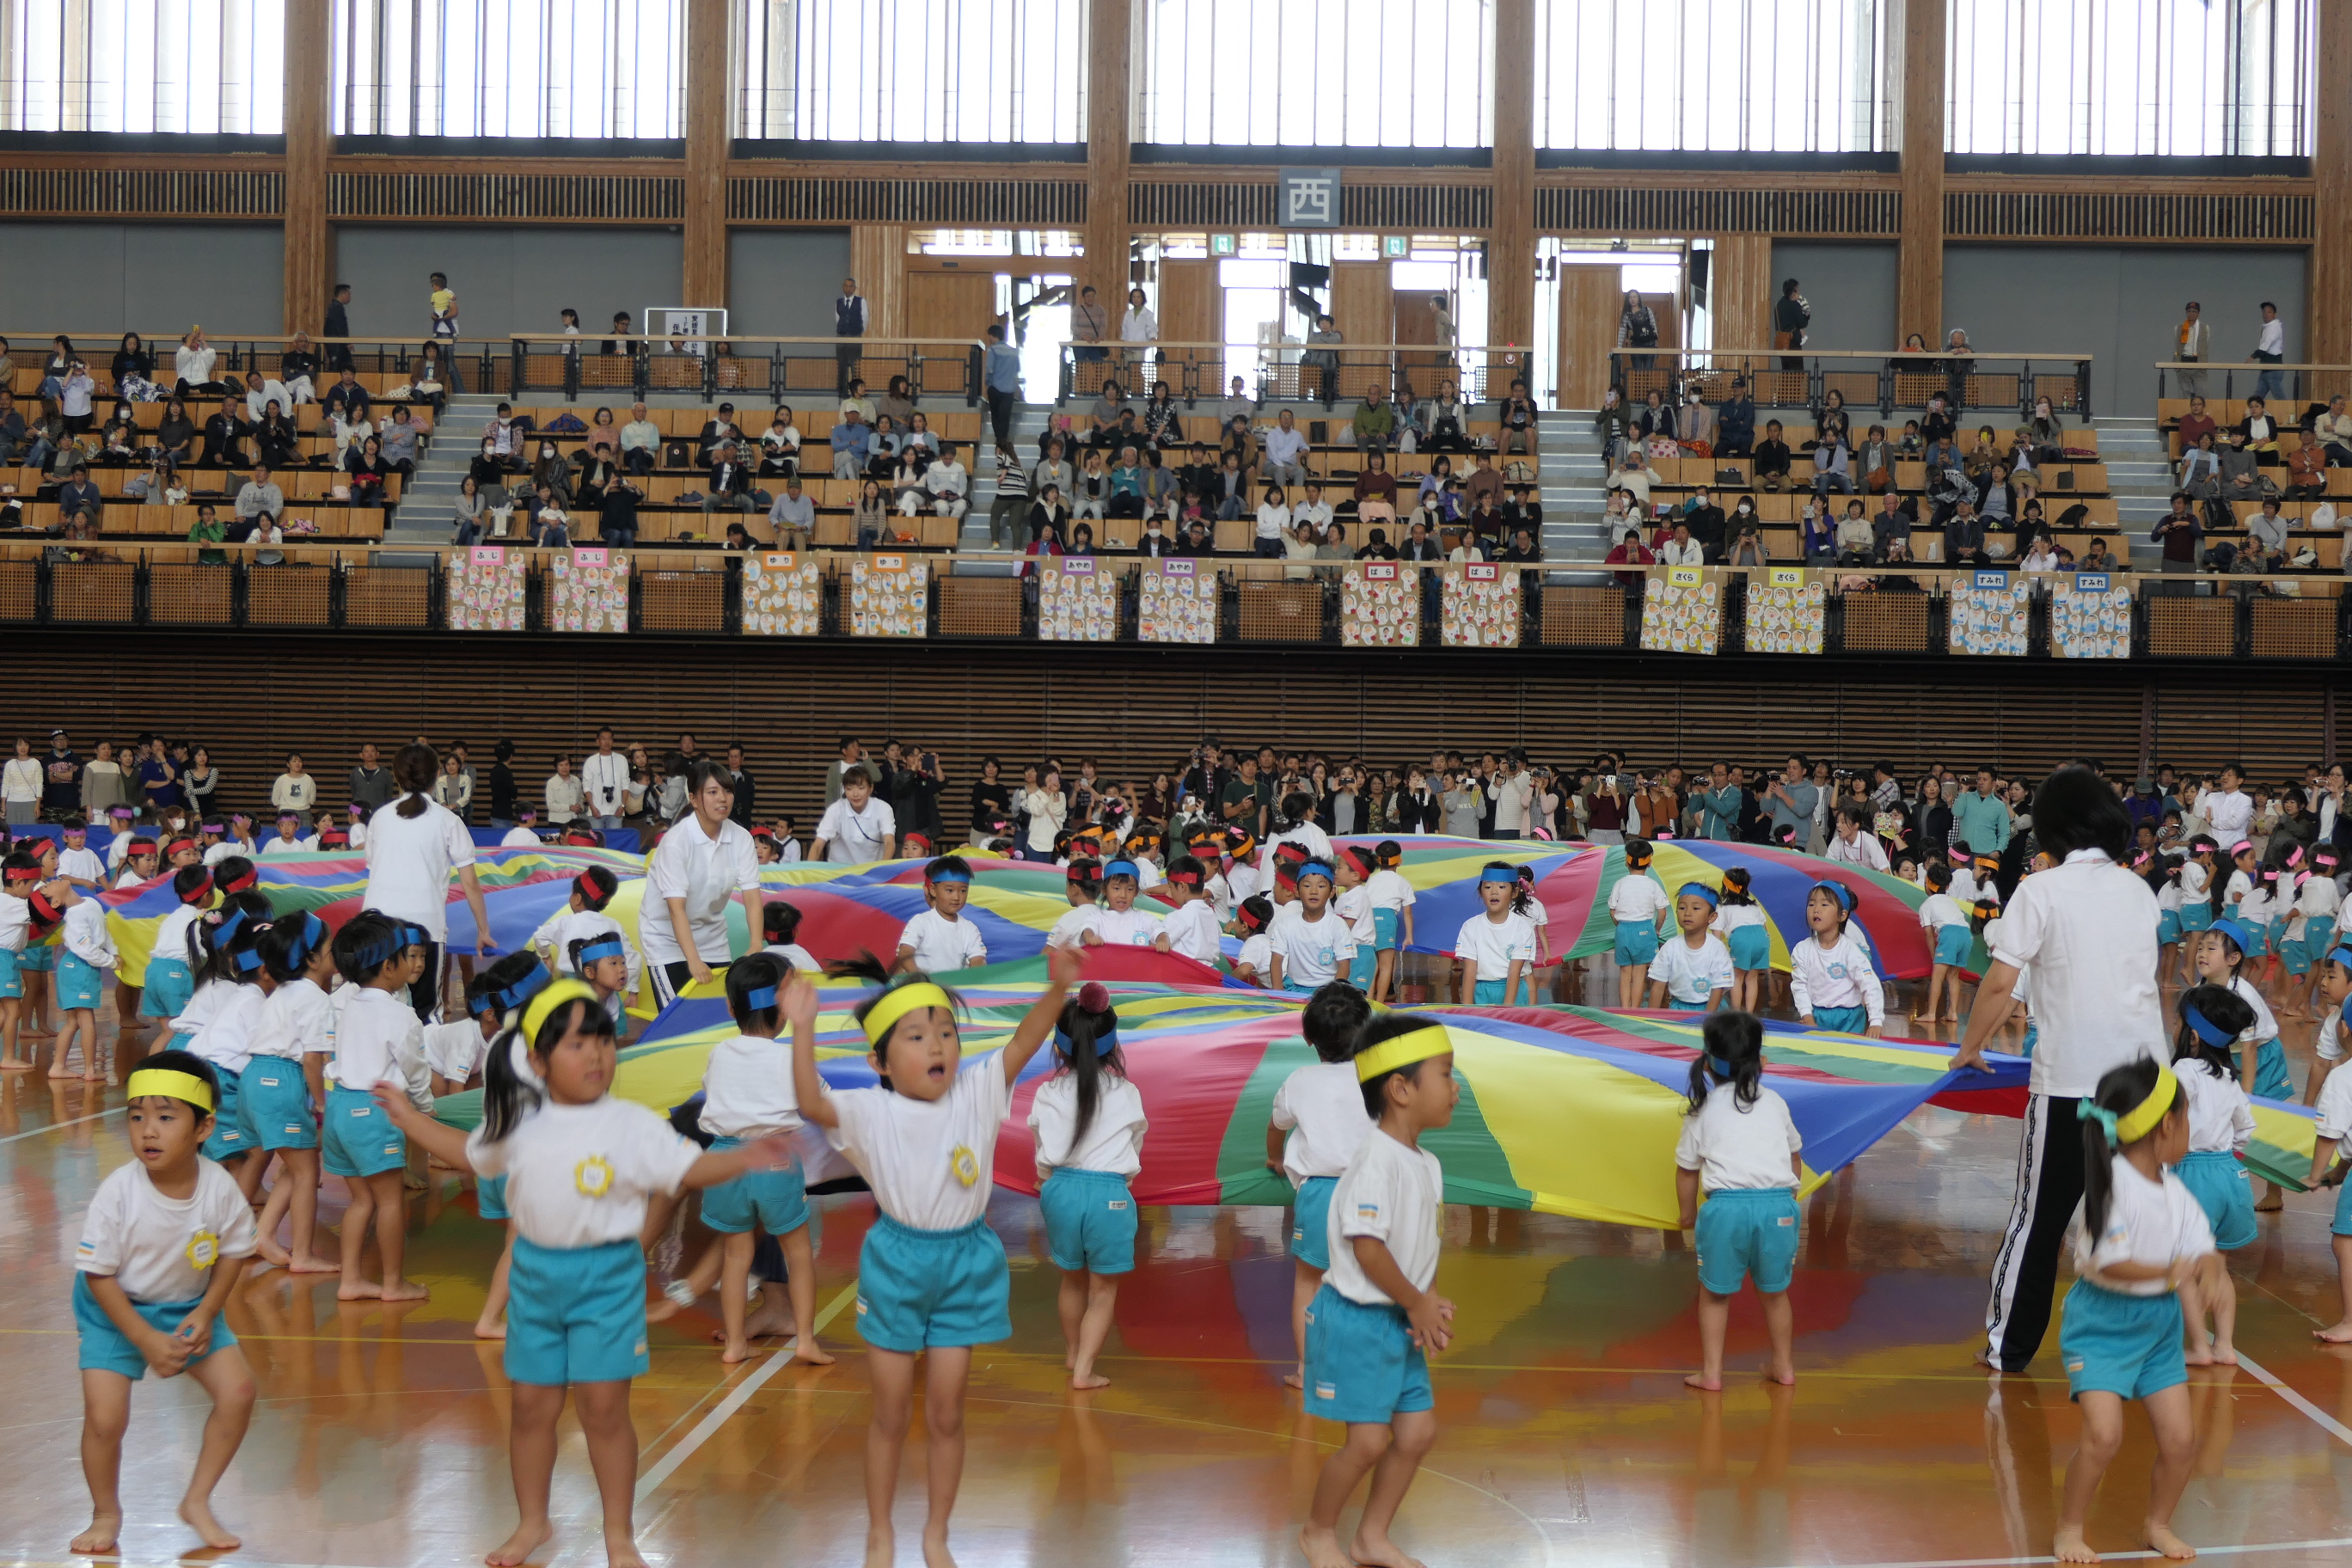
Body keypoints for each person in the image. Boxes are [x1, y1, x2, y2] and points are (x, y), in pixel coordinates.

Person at [377, 979, 793, 1568]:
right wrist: (406, 1118)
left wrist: (742, 1158)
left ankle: (620, 1536)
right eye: (577, 1044)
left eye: (602, 1040)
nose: (596, 1054)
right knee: (531, 1409)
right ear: (539, 1062)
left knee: (604, 1411)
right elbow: (468, 1153)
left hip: (608, 1282)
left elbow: (686, 1169)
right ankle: (532, 1524)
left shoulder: (632, 1124)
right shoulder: (520, 1126)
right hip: (536, 1280)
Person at [784, 947, 1079, 1568]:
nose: (938, 1045)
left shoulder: (976, 1091)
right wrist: (803, 1028)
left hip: (965, 1263)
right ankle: (879, 1533)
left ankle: (937, 1535)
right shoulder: (870, 1110)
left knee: (947, 1414)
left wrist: (1057, 990)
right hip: (897, 1263)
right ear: (880, 1063)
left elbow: (1024, 1040)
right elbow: (811, 1103)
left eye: (946, 1032)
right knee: (890, 1414)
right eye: (917, 1037)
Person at [1953, 766, 2159, 1373]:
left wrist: (1969, 1047)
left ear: (2051, 828)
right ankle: (2142, 1346)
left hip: (2073, 1080)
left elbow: (2000, 983)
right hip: (2148, 1082)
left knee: (2037, 1220)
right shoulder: (2137, 891)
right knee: (2135, 1217)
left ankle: (2009, 1348)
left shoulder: (2041, 890)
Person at [69, 1053, 259, 1557]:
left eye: (166, 1117)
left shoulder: (219, 1187)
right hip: (114, 1311)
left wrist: (208, 1311)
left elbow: (235, 1251)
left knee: (238, 1391)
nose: (148, 1131)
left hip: (187, 1306)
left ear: (204, 1128)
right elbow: (97, 1274)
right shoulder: (118, 1192)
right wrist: (144, 1338)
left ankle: (197, 1500)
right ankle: (105, 1513)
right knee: (105, 1418)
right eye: (137, 1117)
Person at [1297, 1012, 1456, 1568]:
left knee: (1415, 1434)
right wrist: (1416, 1301)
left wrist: (1426, 1303)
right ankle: (1318, 1532)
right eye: (1445, 1074)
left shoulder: (1426, 1164)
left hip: (1397, 1322)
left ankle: (1371, 1537)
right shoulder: (1375, 1161)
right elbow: (1368, 1248)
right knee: (1366, 1442)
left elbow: (1418, 1245)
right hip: (1357, 1322)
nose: (1455, 1088)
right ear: (1401, 1089)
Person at [2048, 1057, 2217, 1565]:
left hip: (2158, 1327)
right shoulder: (2114, 1184)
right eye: (2187, 1118)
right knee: (2103, 1436)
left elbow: (2201, 1245)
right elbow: (2110, 1263)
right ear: (2167, 1124)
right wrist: (2173, 1272)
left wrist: (2211, 1265)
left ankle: (2157, 1523)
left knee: (2181, 1440)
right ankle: (2069, 1528)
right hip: (2101, 1325)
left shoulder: (2174, 1189)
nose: (2190, 1128)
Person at [1028, 980, 1147, 1390]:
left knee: (1071, 1280)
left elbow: (1041, 1147)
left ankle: (1071, 1352)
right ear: (1113, 1046)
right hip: (1109, 1194)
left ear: (1059, 1048)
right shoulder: (1127, 1092)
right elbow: (1134, 1146)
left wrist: (1048, 1180)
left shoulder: (1046, 1092)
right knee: (1102, 1291)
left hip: (1059, 1192)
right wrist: (1122, 1182)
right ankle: (1084, 1371)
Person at [1675, 1010, 1801, 1392]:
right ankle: (1783, 1367)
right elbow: (1794, 1155)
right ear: (1762, 1061)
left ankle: (1712, 1374)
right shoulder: (1775, 1102)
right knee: (1775, 1294)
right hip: (1778, 1207)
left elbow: (1687, 1171)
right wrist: (1789, 1196)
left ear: (1708, 1065)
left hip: (1725, 1211)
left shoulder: (1702, 1110)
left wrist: (1687, 1214)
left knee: (1714, 1295)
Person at [359, 744, 493, 1026]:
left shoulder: (380, 817)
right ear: (437, 775)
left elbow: (373, 871)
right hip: (425, 927)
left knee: (375, 1011)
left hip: (377, 927)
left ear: (397, 776)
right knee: (426, 1015)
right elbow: (470, 883)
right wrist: (483, 930)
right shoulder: (447, 819)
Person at [639, 760, 765, 1005]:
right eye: (712, 792)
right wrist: (693, 960)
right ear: (694, 799)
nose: (722, 799)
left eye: (727, 791)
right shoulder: (676, 841)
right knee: (679, 1018)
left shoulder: (741, 838)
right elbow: (676, 909)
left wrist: (756, 944)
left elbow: (752, 898)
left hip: (712, 936)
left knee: (722, 1014)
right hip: (666, 939)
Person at [2250, 300, 2287, 402]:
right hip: (2265, 369)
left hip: (2273, 368)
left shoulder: (2274, 327)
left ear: (2275, 314)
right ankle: (2251, 412)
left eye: (2269, 312)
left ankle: (2290, 412)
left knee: (2280, 398)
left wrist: (2253, 356)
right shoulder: (2267, 327)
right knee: (2257, 398)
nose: (2266, 314)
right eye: (2264, 312)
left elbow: (2267, 343)